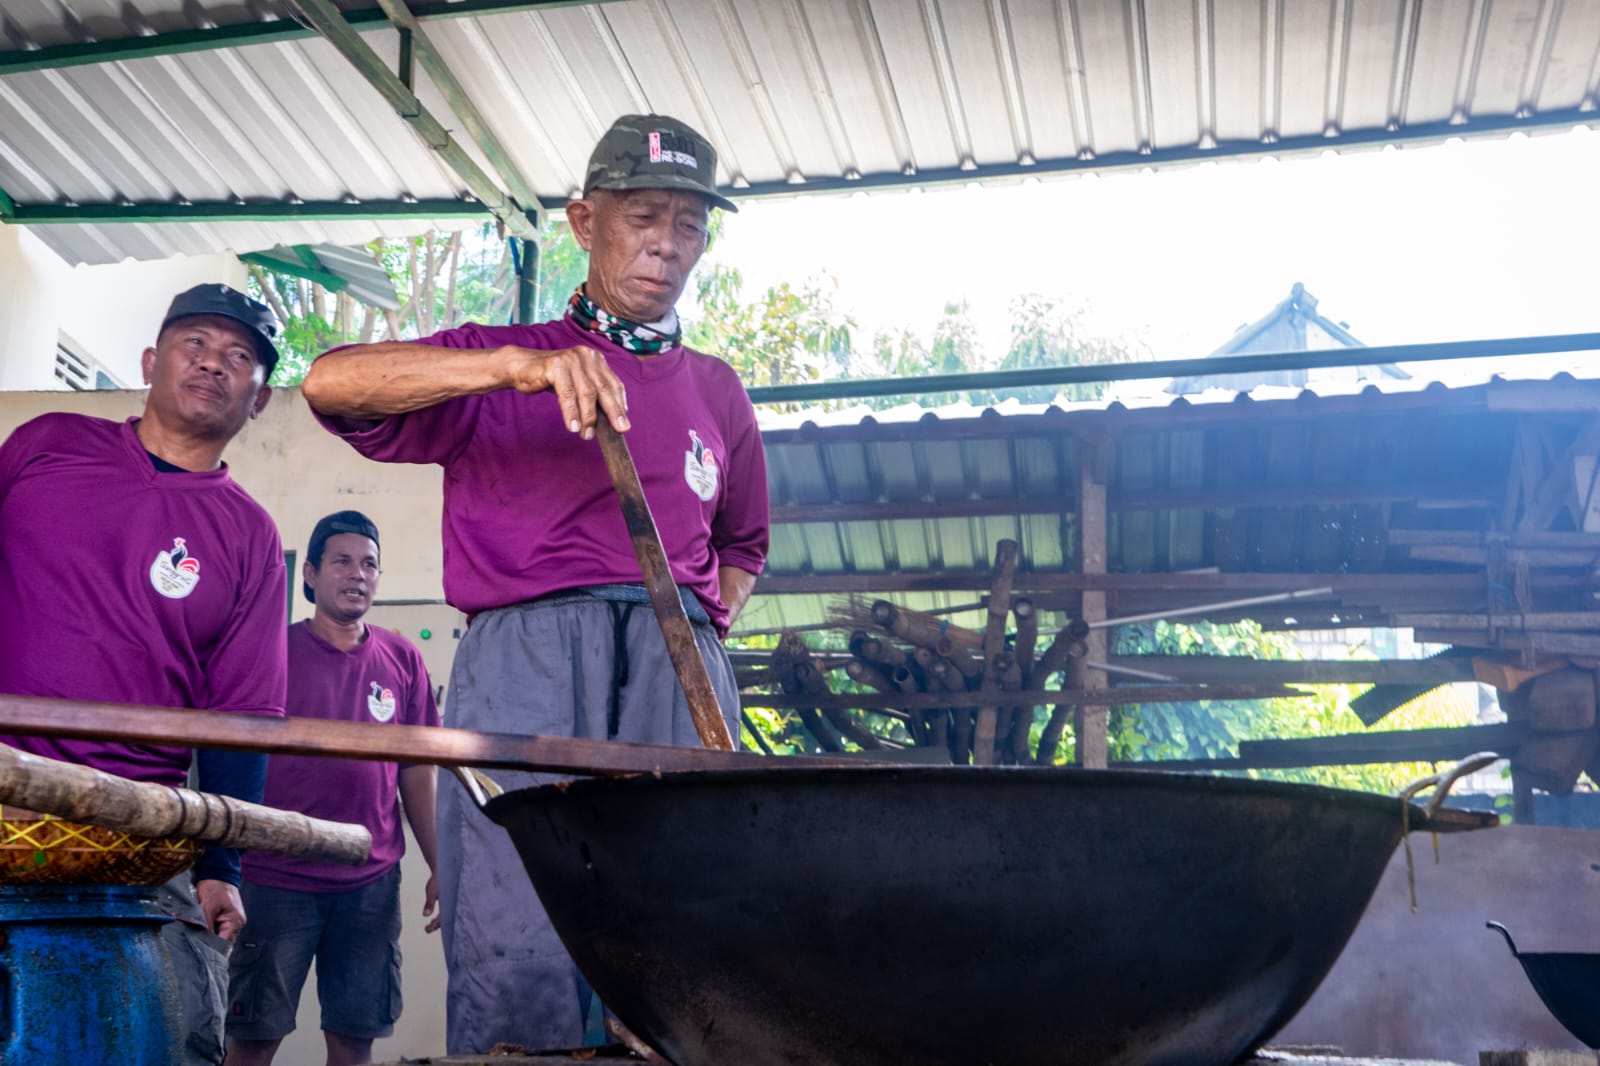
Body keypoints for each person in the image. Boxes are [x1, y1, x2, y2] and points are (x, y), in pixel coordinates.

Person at [300, 113, 768, 1054]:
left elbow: (743, 542)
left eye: (688, 224)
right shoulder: (502, 360)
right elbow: (329, 385)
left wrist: (694, 644)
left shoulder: (717, 388)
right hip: (525, 659)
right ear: (583, 220)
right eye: (643, 217)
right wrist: (512, 369)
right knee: (520, 914)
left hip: (677, 660)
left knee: (685, 906)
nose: (667, 246)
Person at [0, 282, 287, 1065]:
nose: (214, 363)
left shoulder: (251, 537)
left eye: (240, 357)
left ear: (259, 401)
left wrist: (222, 869)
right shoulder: (46, 443)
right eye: (196, 342)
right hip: (2, 794)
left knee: (162, 1031)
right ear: (150, 360)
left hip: (139, 835)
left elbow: (242, 715)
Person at [225, 510, 440, 1066]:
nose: (357, 574)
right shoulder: (272, 652)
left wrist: (443, 864)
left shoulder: (403, 658)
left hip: (369, 884)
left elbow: (417, 771)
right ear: (312, 575)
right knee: (252, 1041)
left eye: (369, 564)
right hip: (276, 879)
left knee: (354, 1040)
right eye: (341, 561)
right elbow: (228, 755)